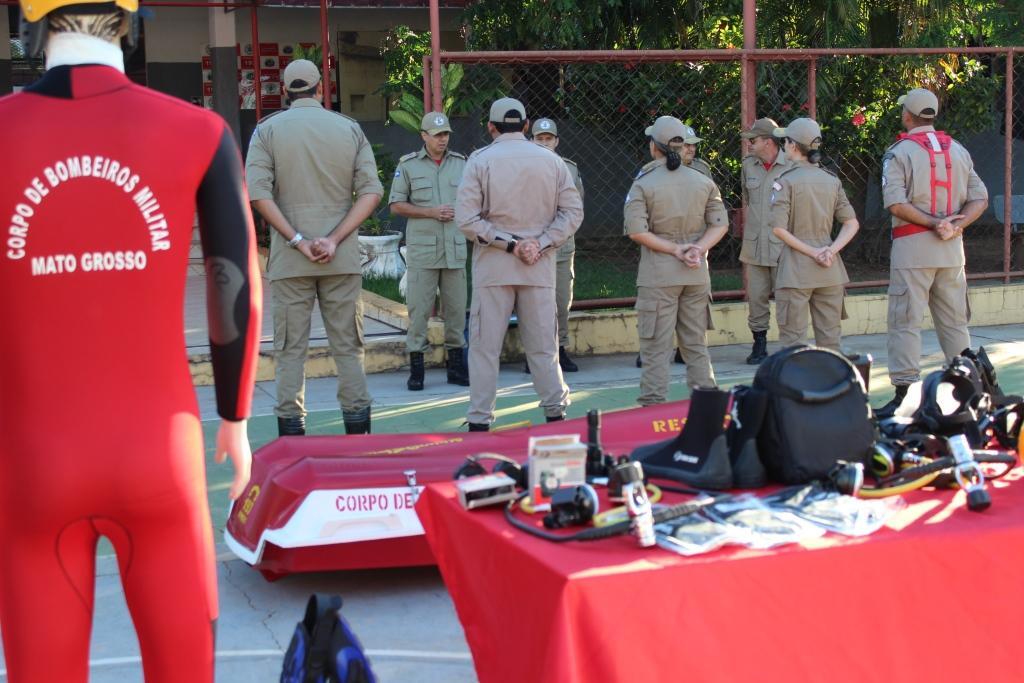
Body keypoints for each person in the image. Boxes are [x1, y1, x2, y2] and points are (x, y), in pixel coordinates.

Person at [0, 0, 260, 680]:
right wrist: (234, 418)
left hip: (31, 467)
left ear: (28, 21)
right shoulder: (199, 131)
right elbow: (235, 287)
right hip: (160, 463)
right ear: (129, 19)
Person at [246, 59, 383, 436]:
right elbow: (372, 191)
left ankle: (292, 436)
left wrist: (298, 241)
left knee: (291, 350)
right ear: (321, 87)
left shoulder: (267, 132)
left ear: (286, 90)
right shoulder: (348, 129)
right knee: (349, 347)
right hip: (340, 258)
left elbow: (257, 193)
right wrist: (334, 239)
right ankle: (358, 434)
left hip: (292, 261)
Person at [455, 97, 583, 431]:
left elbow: (466, 219)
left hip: (495, 267)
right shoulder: (552, 162)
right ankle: (556, 414)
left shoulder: (480, 161)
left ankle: (480, 423)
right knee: (543, 346)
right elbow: (573, 213)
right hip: (538, 266)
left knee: (485, 349)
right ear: (526, 126)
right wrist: (538, 243)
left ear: (491, 127)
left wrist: (509, 244)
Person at [876, 88, 989, 416]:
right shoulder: (958, 150)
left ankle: (904, 396)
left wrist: (932, 222)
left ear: (907, 116)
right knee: (955, 322)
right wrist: (955, 224)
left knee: (905, 319)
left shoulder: (899, 152)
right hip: (952, 252)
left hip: (913, 250)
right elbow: (979, 197)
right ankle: (969, 394)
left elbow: (895, 202)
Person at [625, 116, 729, 405]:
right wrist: (697, 249)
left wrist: (674, 250)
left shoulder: (643, 183)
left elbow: (636, 231)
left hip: (659, 277)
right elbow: (720, 224)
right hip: (696, 275)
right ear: (682, 147)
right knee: (696, 346)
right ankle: (708, 408)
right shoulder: (702, 181)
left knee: (656, 349)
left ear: (653, 147)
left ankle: (653, 408)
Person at [389, 111, 469, 391]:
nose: (442, 139)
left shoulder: (461, 164)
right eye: (437, 135)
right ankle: (417, 370)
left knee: (457, 311)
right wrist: (430, 212)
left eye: (445, 134)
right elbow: (396, 205)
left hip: (455, 250)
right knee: (419, 311)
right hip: (424, 252)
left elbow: (474, 200)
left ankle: (457, 368)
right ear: (424, 136)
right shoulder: (408, 166)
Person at [769, 118, 860, 351]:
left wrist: (813, 252)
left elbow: (778, 228)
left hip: (796, 270)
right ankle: (831, 386)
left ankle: (796, 387)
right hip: (830, 269)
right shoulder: (831, 181)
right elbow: (851, 223)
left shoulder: (785, 182)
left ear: (792, 145)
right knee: (830, 341)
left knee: (793, 342)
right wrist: (830, 250)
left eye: (785, 141)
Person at [528, 117, 584, 373]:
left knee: (561, 301)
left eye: (548, 139)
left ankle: (560, 349)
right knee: (534, 303)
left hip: (561, 247)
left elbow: (575, 208)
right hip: (533, 248)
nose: (544, 143)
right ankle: (534, 354)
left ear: (556, 141)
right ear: (532, 140)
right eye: (539, 139)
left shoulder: (570, 169)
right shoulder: (523, 167)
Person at [739, 117, 792, 364]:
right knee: (756, 297)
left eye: (754, 140)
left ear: (768, 142)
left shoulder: (791, 165)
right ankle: (759, 345)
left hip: (783, 247)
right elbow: (747, 200)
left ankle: (788, 347)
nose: (749, 144)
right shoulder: (749, 165)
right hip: (755, 244)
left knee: (786, 298)